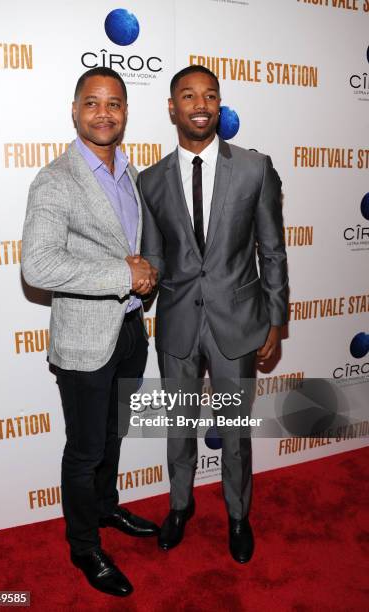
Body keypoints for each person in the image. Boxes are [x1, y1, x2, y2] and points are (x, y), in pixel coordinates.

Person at [138, 65, 289, 563]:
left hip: (238, 323)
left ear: (218, 105)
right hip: (179, 322)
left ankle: (239, 515)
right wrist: (128, 277)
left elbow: (272, 249)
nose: (199, 104)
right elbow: (155, 257)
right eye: (188, 95)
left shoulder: (254, 167)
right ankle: (179, 507)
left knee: (235, 431)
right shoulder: (151, 180)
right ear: (172, 107)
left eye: (209, 96)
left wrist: (275, 317)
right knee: (179, 424)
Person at [22, 67, 159, 597]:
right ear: (75, 111)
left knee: (112, 436)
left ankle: (105, 510)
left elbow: (135, 248)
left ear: (126, 111)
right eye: (92, 103)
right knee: (84, 450)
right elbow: (38, 266)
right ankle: (84, 546)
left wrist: (144, 278)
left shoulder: (131, 172)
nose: (104, 113)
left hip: (129, 331)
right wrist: (123, 274)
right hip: (83, 340)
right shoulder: (55, 179)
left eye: (115, 103)